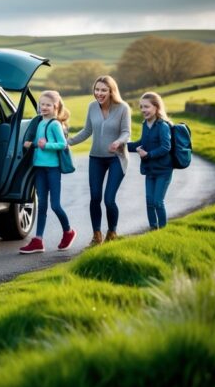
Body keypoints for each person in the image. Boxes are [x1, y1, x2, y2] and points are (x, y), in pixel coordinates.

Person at [68, 75, 131, 245]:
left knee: (109, 199)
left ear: (111, 91)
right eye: (97, 89)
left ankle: (112, 231)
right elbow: (87, 130)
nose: (99, 93)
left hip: (117, 158)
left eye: (104, 90)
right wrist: (67, 142)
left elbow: (126, 132)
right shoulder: (92, 107)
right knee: (95, 197)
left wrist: (118, 141)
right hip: (96, 157)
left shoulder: (123, 108)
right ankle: (96, 234)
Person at [19, 91, 77, 254]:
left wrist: (46, 146)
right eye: (42, 104)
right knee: (42, 205)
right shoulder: (38, 122)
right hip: (39, 167)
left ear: (55, 107)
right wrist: (32, 144)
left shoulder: (54, 124)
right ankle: (38, 240)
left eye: (48, 105)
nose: (44, 107)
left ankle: (68, 232)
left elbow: (62, 144)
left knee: (55, 205)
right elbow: (39, 143)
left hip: (53, 169)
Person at [127, 92, 173, 231]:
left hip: (163, 171)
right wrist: (123, 146)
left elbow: (166, 147)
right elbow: (142, 143)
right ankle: (153, 229)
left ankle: (164, 230)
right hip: (150, 170)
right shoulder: (145, 124)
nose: (143, 110)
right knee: (149, 201)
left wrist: (148, 155)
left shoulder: (163, 126)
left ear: (156, 107)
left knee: (157, 202)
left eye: (146, 106)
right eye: (141, 107)